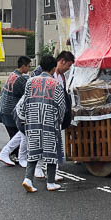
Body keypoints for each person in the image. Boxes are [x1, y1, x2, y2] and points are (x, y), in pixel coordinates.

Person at [15, 55, 68, 192]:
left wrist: (25, 118)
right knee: (51, 152)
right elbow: (61, 106)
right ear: (53, 68)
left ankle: (28, 179)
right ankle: (50, 183)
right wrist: (59, 120)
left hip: (32, 121)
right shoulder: (55, 84)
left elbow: (24, 101)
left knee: (33, 151)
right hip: (49, 121)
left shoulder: (31, 81)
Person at [29, 51, 74, 180]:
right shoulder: (42, 74)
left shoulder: (62, 77)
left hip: (55, 115)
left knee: (55, 145)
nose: (68, 69)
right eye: (68, 65)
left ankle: (53, 172)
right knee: (42, 142)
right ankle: (38, 168)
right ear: (62, 61)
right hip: (42, 113)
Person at [0, 56, 31, 166]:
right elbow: (27, 94)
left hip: (4, 109)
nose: (29, 69)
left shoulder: (12, 75)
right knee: (18, 134)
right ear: (23, 66)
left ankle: (13, 155)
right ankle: (12, 155)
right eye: (28, 66)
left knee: (16, 134)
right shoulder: (20, 79)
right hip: (11, 111)